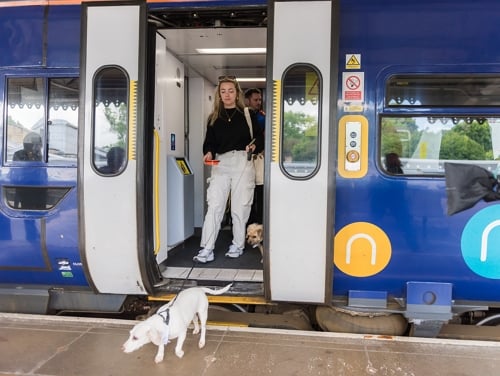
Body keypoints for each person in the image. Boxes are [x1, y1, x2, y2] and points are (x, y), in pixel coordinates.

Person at [193, 76, 264, 263]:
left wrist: (254, 146)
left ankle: (238, 245)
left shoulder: (247, 115)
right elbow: (209, 142)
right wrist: (208, 152)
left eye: (230, 91)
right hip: (221, 163)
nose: (227, 95)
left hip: (243, 161)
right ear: (219, 94)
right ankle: (206, 248)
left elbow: (260, 137)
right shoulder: (214, 117)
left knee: (240, 208)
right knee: (215, 206)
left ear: (237, 93)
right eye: (223, 91)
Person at [245, 88, 265, 225]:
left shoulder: (263, 116)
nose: (258, 102)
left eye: (260, 100)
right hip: (245, 158)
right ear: (247, 100)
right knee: (247, 192)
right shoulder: (243, 116)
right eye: (255, 100)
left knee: (260, 190)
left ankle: (259, 222)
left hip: (259, 157)